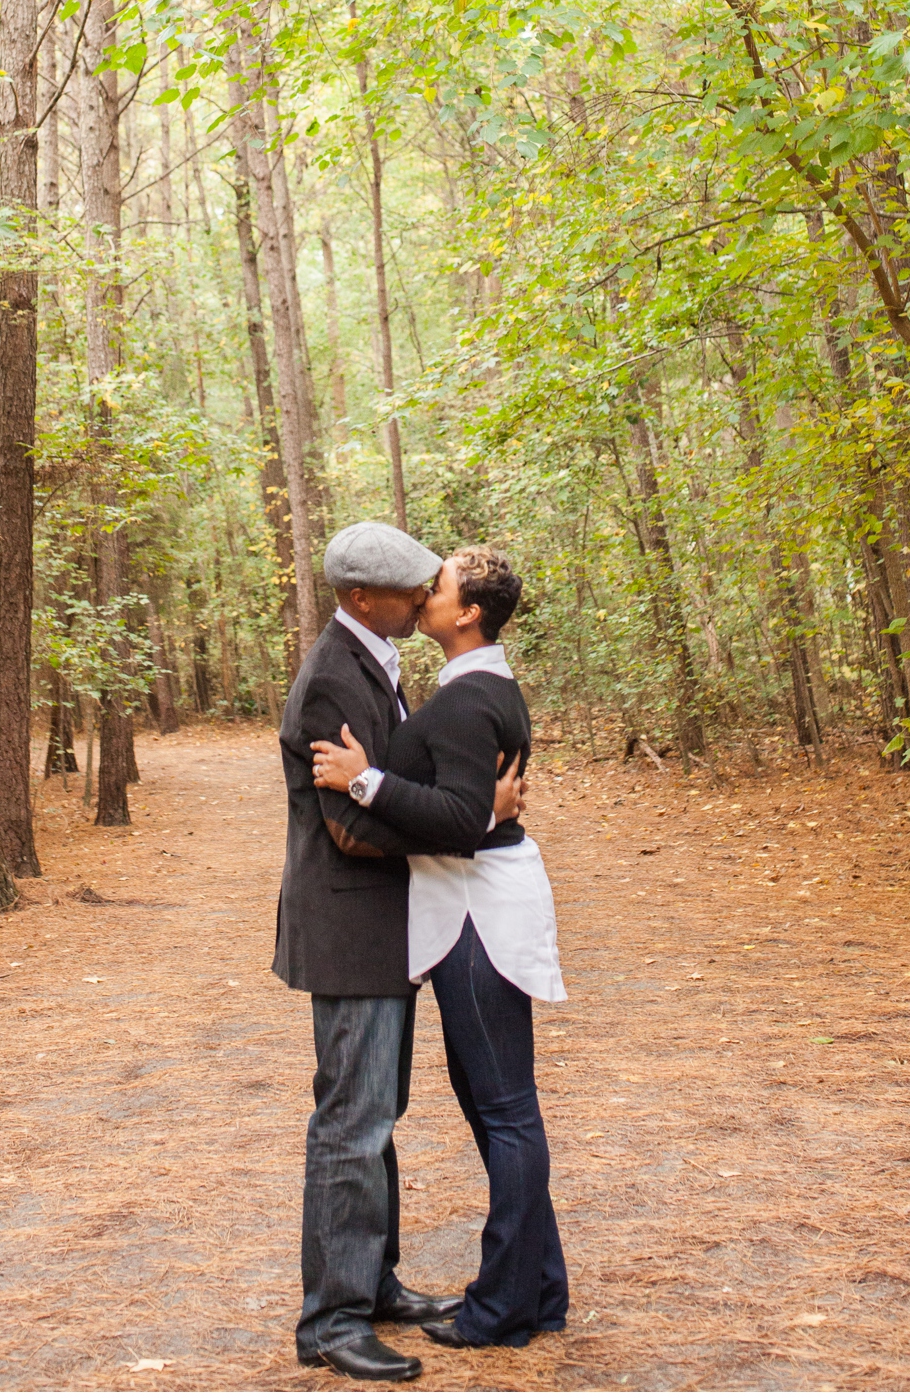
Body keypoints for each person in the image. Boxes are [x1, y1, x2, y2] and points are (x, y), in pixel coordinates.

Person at [272, 520, 525, 1382]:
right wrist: (469, 821)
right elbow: (347, 828)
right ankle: (331, 1321)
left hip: (385, 926)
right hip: (349, 928)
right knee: (350, 1124)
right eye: (410, 590)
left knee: (376, 1119)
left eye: (430, 583)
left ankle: (372, 1283)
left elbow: (392, 789)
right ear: (358, 599)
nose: (425, 598)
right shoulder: (331, 681)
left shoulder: (379, 656)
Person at [311, 544, 568, 1353]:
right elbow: (470, 806)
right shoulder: (477, 685)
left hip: (478, 912)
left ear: (467, 614)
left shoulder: (465, 699)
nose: (427, 590)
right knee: (498, 1105)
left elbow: (459, 817)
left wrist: (364, 780)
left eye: (442, 584)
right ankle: (540, 1287)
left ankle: (503, 1306)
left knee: (504, 1109)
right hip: (473, 902)